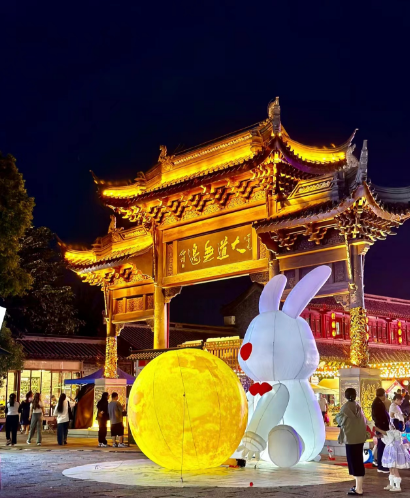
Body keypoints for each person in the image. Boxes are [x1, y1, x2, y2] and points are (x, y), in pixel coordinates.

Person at [335, 388, 368, 496]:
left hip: (350, 439)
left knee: (354, 463)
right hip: (360, 438)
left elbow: (340, 421)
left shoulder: (345, 408)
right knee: (358, 461)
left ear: (345, 396)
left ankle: (359, 489)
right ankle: (358, 486)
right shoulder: (358, 407)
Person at [374, 423, 410, 492]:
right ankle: (392, 484)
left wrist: (378, 429)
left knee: (394, 468)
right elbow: (386, 437)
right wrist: (378, 434)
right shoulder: (392, 432)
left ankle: (398, 486)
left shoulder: (396, 432)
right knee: (391, 468)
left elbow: (387, 434)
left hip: (393, 452)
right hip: (390, 451)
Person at [371, 387, 390, 473]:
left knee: (382, 446)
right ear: (382, 395)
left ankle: (382, 464)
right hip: (381, 428)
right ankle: (381, 466)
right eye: (384, 394)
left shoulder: (378, 402)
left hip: (382, 427)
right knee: (381, 446)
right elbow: (377, 417)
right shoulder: (377, 404)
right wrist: (380, 430)